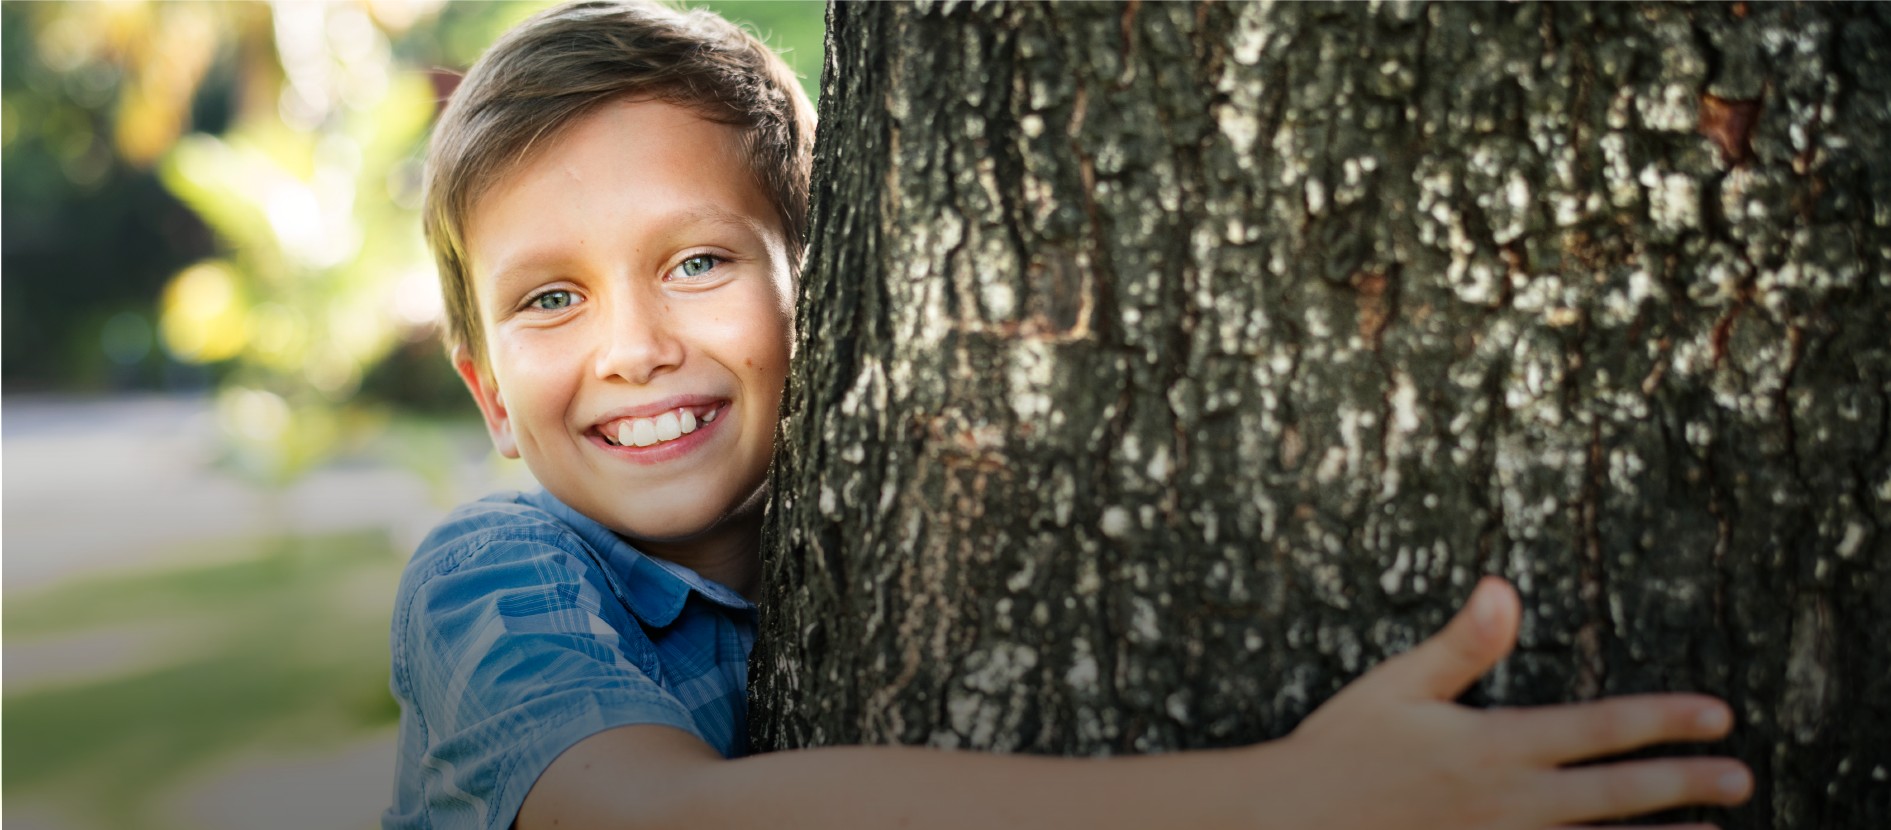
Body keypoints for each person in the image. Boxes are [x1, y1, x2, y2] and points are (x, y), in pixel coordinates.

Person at [386, 3, 1753, 829]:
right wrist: (1295, 796)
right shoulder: (501, 578)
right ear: (489, 392)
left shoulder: (889, 510)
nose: (634, 347)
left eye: (698, 261)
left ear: (842, 285)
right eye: (550, 298)